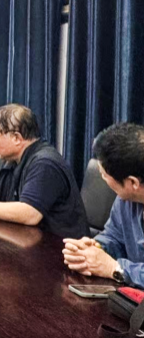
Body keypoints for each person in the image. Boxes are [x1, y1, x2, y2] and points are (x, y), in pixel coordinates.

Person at [0, 104, 89, 239]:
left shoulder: (45, 163)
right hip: (29, 241)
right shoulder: (12, 161)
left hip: (60, 247)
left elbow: (30, 214)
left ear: (16, 138)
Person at [63, 123, 144, 287]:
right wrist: (95, 248)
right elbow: (113, 236)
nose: (102, 177)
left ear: (133, 183)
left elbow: (113, 267)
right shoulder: (125, 199)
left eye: (104, 174)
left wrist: (114, 268)